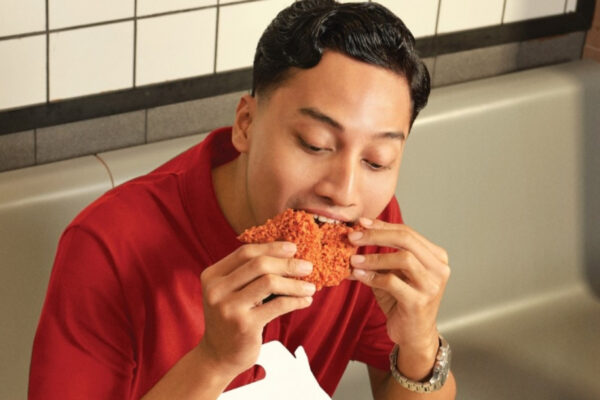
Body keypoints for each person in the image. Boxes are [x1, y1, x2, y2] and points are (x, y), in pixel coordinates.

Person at [29, 1, 456, 399]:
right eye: (314, 143)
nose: (343, 192)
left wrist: (420, 344)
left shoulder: (367, 234)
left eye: (376, 161)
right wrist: (214, 360)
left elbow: (397, 381)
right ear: (246, 124)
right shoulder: (107, 246)